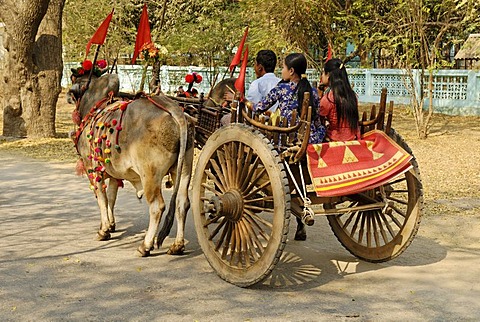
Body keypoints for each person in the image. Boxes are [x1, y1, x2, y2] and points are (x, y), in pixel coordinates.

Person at [251, 53, 325, 144]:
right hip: (312, 138)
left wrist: (245, 101)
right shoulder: (313, 91)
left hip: (288, 137)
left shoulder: (282, 89)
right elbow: (316, 118)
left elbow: (259, 108)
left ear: (291, 71)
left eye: (283, 68)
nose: (282, 71)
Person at [319, 58, 360, 141]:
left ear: (329, 75)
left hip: (334, 139)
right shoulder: (351, 95)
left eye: (323, 72)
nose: (322, 76)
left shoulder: (328, 98)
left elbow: (320, 119)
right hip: (353, 138)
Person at [246, 50, 281, 114]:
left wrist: (244, 101)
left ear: (260, 67)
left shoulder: (257, 84)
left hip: (259, 122)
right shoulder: (282, 83)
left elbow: (252, 107)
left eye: (255, 64)